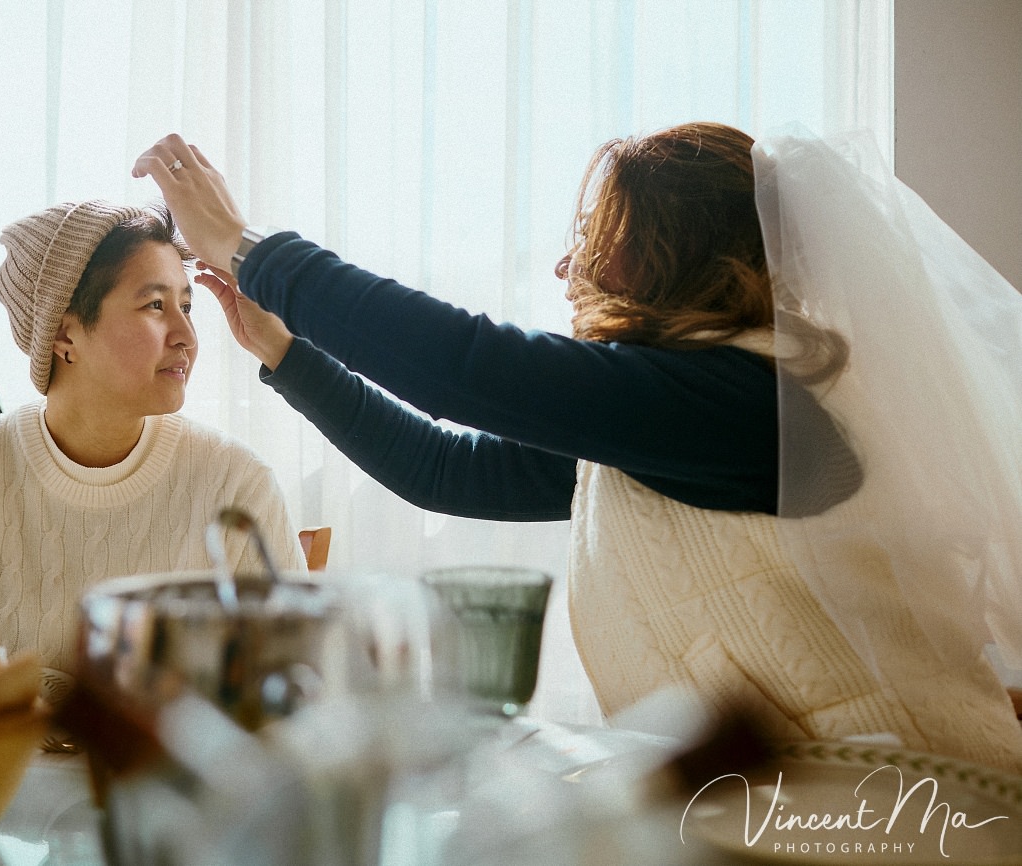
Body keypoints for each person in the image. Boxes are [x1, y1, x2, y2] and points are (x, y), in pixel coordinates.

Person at [134, 124, 1022, 771]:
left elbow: (462, 366)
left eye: (597, 239)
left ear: (666, 257)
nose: (568, 267)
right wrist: (286, 352)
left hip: (898, 814)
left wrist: (250, 249)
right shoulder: (666, 415)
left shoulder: (748, 404)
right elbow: (446, 467)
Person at [0, 201, 307, 671]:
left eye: (186, 306)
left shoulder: (236, 484)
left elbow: (294, 680)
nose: (186, 336)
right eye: (154, 305)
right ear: (64, 335)